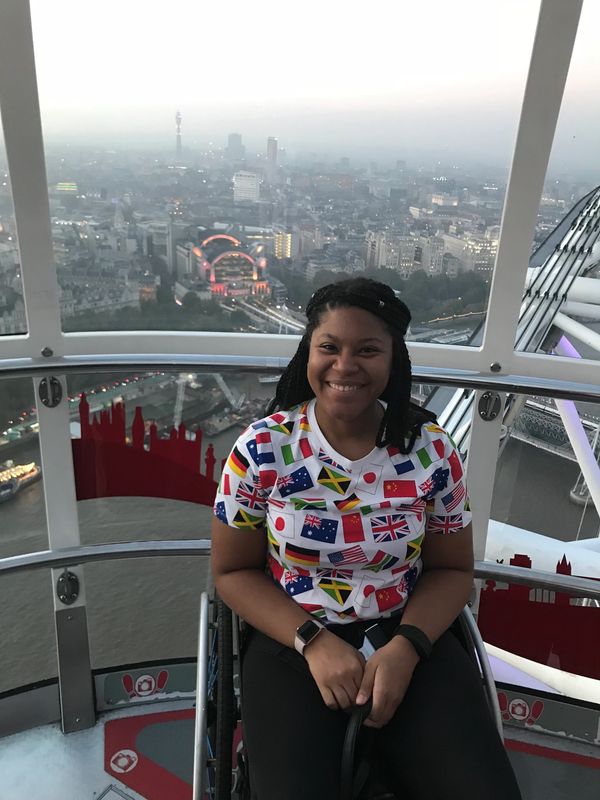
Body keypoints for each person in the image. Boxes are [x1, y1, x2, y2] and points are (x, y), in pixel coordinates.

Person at [211, 277, 522, 800]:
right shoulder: (263, 449)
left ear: (394, 359)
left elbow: (451, 570)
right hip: (293, 640)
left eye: (368, 350)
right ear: (307, 353)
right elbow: (232, 572)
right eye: (329, 347)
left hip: (409, 633)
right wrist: (314, 642)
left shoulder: (431, 451)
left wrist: (406, 648)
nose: (344, 366)